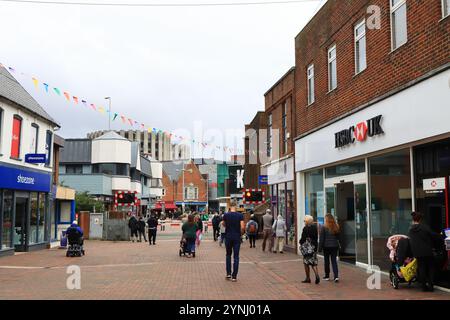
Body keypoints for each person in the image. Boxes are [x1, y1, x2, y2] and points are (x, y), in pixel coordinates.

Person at [408, 211, 443, 292]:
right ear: (420, 219)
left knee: (421, 268)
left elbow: (411, 241)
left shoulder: (411, 229)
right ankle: (431, 286)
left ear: (413, 219)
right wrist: (441, 235)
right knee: (431, 268)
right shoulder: (424, 227)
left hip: (417, 252)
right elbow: (433, 235)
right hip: (427, 251)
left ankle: (423, 286)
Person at [222, 199, 245, 282]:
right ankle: (234, 276)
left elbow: (223, 224)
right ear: (236, 206)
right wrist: (241, 234)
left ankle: (228, 273)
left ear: (229, 206)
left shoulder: (226, 215)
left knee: (228, 255)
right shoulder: (240, 215)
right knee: (236, 256)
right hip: (236, 237)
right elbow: (242, 227)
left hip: (228, 236)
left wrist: (227, 224)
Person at [319, 214, 340, 282]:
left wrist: (319, 248)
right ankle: (336, 276)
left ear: (326, 219)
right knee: (334, 261)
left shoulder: (323, 227)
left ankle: (327, 276)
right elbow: (338, 237)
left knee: (327, 261)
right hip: (334, 246)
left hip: (326, 246)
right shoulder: (336, 226)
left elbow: (322, 239)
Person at [299, 215, 320, 285]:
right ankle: (317, 275)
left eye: (305, 221)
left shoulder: (305, 228)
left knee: (306, 262)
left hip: (307, 248)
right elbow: (316, 237)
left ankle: (308, 278)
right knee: (313, 261)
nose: (304, 222)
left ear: (307, 221)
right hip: (314, 247)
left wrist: (300, 242)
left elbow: (303, 239)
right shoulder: (315, 228)